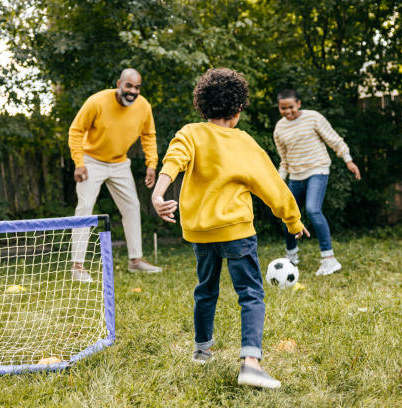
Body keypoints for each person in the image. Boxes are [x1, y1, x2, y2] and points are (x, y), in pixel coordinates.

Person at [151, 68, 309, 389]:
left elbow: (174, 159)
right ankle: (250, 362)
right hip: (237, 232)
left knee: (205, 289)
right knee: (251, 295)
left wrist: (158, 193)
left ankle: (201, 350)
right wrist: (292, 220)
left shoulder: (191, 133)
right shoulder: (245, 143)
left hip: (200, 233)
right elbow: (273, 187)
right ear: (238, 109)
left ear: (202, 106)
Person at [68, 68, 161, 282]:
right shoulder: (97, 102)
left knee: (132, 207)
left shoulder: (143, 106)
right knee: (84, 208)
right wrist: (79, 163)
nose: (133, 91)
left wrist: (151, 164)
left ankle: (135, 261)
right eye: (129, 86)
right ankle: (77, 266)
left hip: (119, 162)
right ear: (119, 83)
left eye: (137, 87)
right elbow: (76, 131)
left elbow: (149, 135)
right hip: (92, 161)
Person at [274, 89, 361, 276]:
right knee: (288, 215)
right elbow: (284, 160)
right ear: (279, 107)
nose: (288, 111)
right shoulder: (279, 129)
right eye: (283, 108)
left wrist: (348, 159)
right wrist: (278, 181)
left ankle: (329, 260)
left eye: (291, 107)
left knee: (313, 210)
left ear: (298, 103)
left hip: (317, 170)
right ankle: (292, 258)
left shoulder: (313, 118)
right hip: (296, 176)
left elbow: (334, 139)